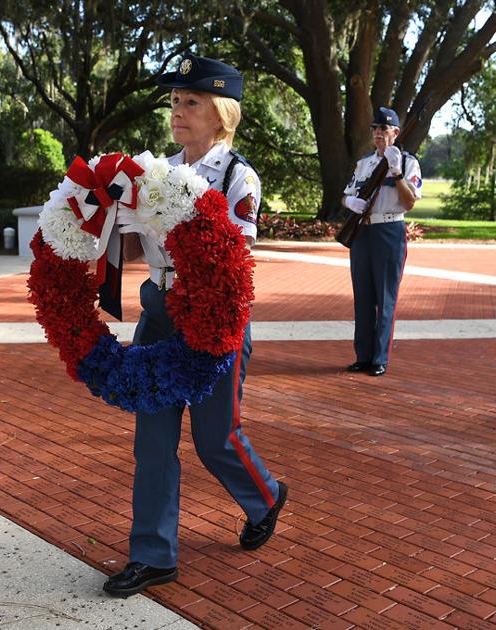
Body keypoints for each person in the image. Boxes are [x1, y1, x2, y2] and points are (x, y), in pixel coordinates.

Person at [103, 53, 286, 598]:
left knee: (215, 439)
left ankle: (265, 496)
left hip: (215, 316)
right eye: (175, 102)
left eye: (191, 102)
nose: (177, 111)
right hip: (159, 313)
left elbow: (230, 258)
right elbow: (135, 247)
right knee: (152, 440)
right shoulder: (154, 171)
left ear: (221, 113)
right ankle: (153, 555)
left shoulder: (237, 176)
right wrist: (107, 211)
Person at [342, 107, 422, 377]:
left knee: (385, 297)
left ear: (396, 133)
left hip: (389, 230)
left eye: (384, 129)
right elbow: (347, 194)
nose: (378, 134)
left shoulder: (407, 161)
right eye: (375, 129)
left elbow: (409, 202)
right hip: (363, 232)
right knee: (363, 297)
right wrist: (350, 202)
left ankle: (379, 358)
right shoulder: (364, 163)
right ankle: (363, 356)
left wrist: (397, 173)